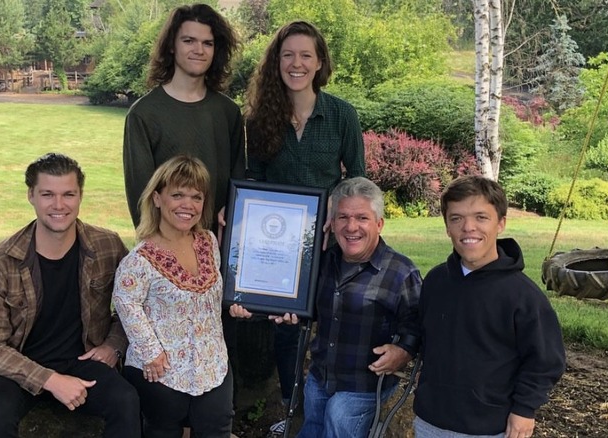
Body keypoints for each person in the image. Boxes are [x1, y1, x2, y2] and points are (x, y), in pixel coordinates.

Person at [0, 153, 140, 438]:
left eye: (68, 194)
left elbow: (135, 303)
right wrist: (50, 380)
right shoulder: (0, 261)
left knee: (126, 401)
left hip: (84, 361)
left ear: (80, 196)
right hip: (17, 366)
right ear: (31, 196)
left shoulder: (107, 245)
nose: (59, 205)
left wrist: (114, 345)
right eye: (47, 194)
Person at [243, 21, 365, 433]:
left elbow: (358, 180)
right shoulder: (260, 117)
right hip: (278, 246)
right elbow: (254, 181)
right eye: (288, 55)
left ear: (319, 63)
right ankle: (290, 411)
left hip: (332, 241)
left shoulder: (342, 115)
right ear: (276, 62)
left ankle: (334, 408)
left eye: (305, 55)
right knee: (286, 328)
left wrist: (339, 211)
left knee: (332, 323)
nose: (296, 64)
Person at [231, 177, 420, 438]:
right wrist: (270, 308)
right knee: (311, 430)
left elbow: (417, 322)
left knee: (339, 420)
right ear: (331, 223)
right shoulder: (320, 263)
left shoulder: (401, 272)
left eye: (362, 218)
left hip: (363, 383)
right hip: (321, 376)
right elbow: (304, 306)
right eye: (343, 217)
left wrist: (404, 350)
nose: (351, 226)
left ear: (379, 224)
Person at [413, 175, 566, 438]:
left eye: (481, 217)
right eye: (456, 218)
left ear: (501, 223)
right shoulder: (436, 281)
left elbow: (545, 361)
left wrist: (524, 409)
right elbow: (423, 336)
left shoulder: (523, 296)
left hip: (488, 427)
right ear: (447, 227)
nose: (468, 227)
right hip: (430, 420)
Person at [113, 155, 233, 438]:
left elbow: (215, 296)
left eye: (196, 196)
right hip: (161, 373)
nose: (187, 205)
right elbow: (125, 301)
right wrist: (151, 353)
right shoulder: (140, 259)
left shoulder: (209, 241)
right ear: (157, 198)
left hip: (212, 368)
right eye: (177, 195)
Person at [123, 3, 244, 231]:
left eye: (207, 43)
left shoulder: (228, 112)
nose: (199, 50)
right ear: (171, 46)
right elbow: (141, 196)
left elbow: (238, 188)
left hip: (217, 245)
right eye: (188, 41)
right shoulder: (143, 114)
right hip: (167, 247)